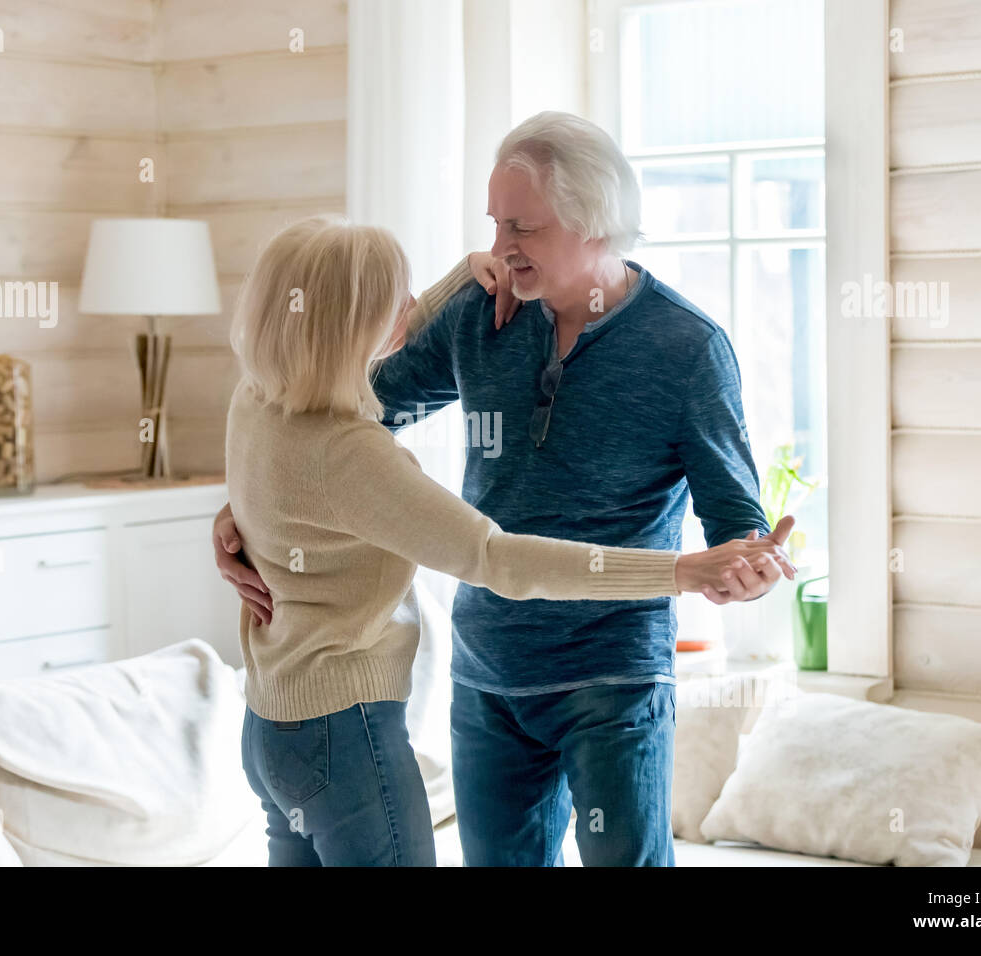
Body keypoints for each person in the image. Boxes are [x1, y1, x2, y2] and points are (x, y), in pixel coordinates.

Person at [224, 213, 795, 866]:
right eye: (393, 297)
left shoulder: (257, 401)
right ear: (349, 323)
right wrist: (680, 572)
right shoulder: (354, 456)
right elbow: (498, 558)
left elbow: (301, 461)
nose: (413, 307)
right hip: (347, 736)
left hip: (272, 731)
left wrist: (451, 280)